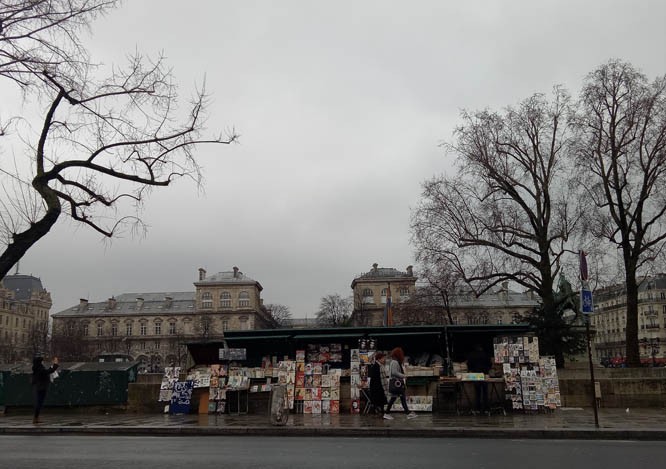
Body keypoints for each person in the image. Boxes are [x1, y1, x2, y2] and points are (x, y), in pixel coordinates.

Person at [385, 347, 417, 419]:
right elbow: (394, 372)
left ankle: (407, 413)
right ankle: (407, 413)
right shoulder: (395, 362)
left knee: (398, 398)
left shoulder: (394, 361)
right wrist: (404, 376)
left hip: (397, 383)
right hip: (397, 383)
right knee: (399, 398)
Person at [31, 355, 59, 424]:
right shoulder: (39, 368)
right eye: (42, 361)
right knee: (39, 403)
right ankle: (35, 418)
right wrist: (55, 364)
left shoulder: (37, 367)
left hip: (40, 386)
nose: (43, 362)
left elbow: (46, 371)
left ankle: (36, 418)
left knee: (39, 402)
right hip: (41, 387)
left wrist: (52, 366)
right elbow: (47, 372)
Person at [466, 344, 492, 413]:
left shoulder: (471, 354)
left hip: (476, 374)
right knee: (485, 392)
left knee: (477, 392)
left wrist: (472, 370)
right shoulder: (486, 354)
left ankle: (477, 408)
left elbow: (469, 364)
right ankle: (486, 408)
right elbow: (490, 364)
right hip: (484, 374)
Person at [368, 351, 389, 418]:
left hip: (375, 389)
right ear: (379, 359)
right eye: (383, 358)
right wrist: (386, 389)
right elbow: (383, 380)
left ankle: (379, 415)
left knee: (377, 403)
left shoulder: (374, 366)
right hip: (379, 389)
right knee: (381, 403)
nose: (384, 360)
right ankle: (381, 415)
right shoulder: (380, 367)